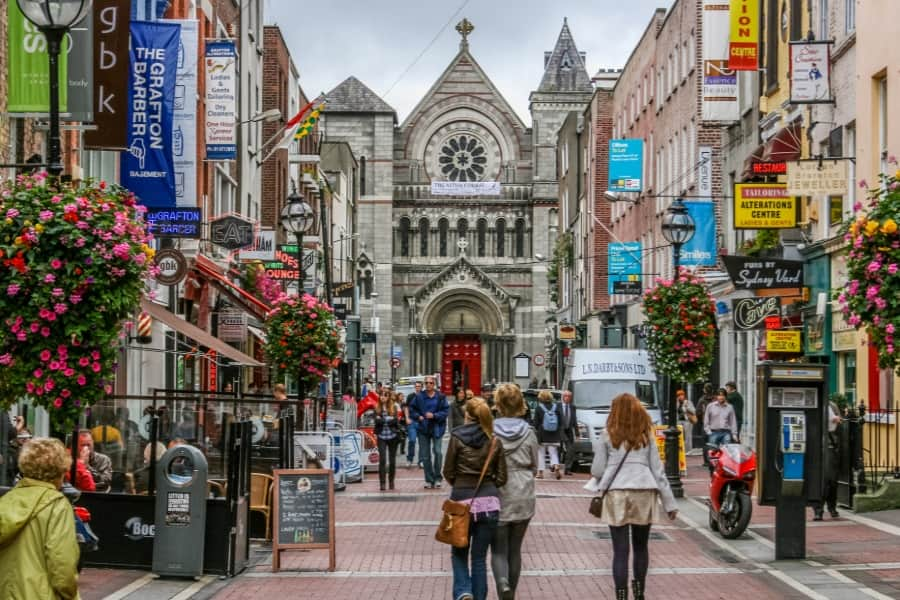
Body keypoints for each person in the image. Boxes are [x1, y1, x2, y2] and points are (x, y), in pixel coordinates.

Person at [589, 393, 678, 600]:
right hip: (643, 490)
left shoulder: (607, 434)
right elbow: (658, 471)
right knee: (641, 546)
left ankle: (621, 596)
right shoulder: (646, 435)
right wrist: (669, 504)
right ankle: (639, 593)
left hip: (617, 492)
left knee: (620, 551)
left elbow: (597, 469)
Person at [443, 398, 507, 600]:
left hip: (461, 500)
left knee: (459, 553)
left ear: (467, 415)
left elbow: (448, 471)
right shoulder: (495, 440)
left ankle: (463, 591)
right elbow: (502, 476)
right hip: (489, 503)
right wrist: (489, 486)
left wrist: (460, 484)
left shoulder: (456, 437)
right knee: (479, 558)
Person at [0, 437, 80, 599]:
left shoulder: (6, 500)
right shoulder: (56, 505)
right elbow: (62, 565)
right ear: (60, 470)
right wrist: (71, 595)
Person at [491, 384, 539, 600]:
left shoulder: (490, 432)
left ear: (498, 404)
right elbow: (535, 465)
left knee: (499, 549)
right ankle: (512, 591)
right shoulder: (529, 433)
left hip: (498, 491)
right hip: (523, 491)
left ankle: (502, 583)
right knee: (515, 549)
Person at [408, 376, 449, 489]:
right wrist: (418, 417)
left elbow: (446, 411)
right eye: (426, 383)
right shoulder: (419, 396)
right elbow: (412, 409)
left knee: (438, 452)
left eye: (430, 383)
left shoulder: (440, 396)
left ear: (434, 384)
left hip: (437, 428)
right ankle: (429, 479)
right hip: (423, 428)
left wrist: (434, 415)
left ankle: (437, 478)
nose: (428, 384)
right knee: (425, 456)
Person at [813, 400, 842, 521]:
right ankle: (818, 510)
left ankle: (831, 507)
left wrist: (836, 420)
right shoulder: (815, 403)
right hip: (816, 445)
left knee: (831, 479)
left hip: (830, 445)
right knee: (820, 480)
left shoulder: (832, 405)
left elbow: (839, 422)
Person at [374, 390, 403, 491]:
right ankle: (382, 483)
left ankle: (391, 482)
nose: (383, 397)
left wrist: (383, 420)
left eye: (385, 395)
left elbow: (396, 420)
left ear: (389, 397)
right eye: (381, 395)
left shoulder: (394, 407)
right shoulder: (377, 408)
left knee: (392, 461)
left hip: (393, 436)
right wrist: (387, 420)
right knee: (382, 460)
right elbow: (377, 421)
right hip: (381, 436)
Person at [533, 390, 563, 480]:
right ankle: (556, 465)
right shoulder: (556, 407)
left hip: (542, 433)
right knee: (553, 452)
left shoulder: (539, 408)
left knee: (541, 453)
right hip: (554, 433)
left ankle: (540, 472)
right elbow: (561, 421)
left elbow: (536, 423)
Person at [695, 383, 716, 464]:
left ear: (705, 390)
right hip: (715, 424)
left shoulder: (702, 400)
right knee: (714, 443)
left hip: (705, 424)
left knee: (705, 443)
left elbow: (698, 412)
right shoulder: (715, 399)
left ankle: (706, 461)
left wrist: (701, 420)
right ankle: (713, 460)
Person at [559, 390, 578, 475]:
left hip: (569, 430)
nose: (567, 398)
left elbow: (574, 420)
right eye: (565, 396)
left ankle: (567, 468)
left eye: (569, 396)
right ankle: (554, 464)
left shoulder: (573, 407)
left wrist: (577, 432)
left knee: (570, 449)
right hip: (560, 430)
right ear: (563, 397)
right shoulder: (557, 406)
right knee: (558, 449)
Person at [405, 381, 423, 468]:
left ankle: (421, 461)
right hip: (412, 421)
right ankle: (410, 459)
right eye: (416, 386)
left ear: (421, 387)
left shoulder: (424, 396)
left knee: (422, 443)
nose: (417, 388)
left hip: (422, 422)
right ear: (414, 387)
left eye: (419, 386)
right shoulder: (410, 396)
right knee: (412, 441)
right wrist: (407, 418)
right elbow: (406, 407)